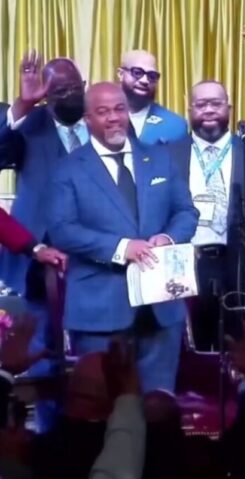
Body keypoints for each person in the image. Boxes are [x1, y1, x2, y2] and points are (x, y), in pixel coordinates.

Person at [46, 82, 199, 392]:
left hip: (160, 310)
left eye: (119, 109)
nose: (114, 118)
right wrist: (121, 247)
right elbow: (62, 230)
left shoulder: (160, 158)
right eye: (103, 112)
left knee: (158, 407)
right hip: (99, 313)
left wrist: (168, 238)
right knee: (103, 408)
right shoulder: (68, 169)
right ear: (87, 119)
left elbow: (186, 212)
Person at [165, 80, 245, 350]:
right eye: (201, 104)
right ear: (189, 110)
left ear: (229, 108)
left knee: (241, 355)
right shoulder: (166, 155)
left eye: (216, 103)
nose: (209, 110)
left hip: (244, 270)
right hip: (186, 267)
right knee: (191, 357)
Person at [0, 50, 88, 431]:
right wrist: (23, 104)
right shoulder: (29, 124)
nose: (68, 95)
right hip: (35, 256)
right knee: (41, 348)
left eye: (74, 88)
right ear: (46, 96)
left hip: (92, 256)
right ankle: (48, 436)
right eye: (59, 90)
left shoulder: (102, 120)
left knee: (90, 346)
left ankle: (86, 427)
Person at [117, 50, 187, 145]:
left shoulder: (175, 125)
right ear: (121, 74)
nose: (145, 81)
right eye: (137, 73)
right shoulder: (98, 117)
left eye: (152, 76)